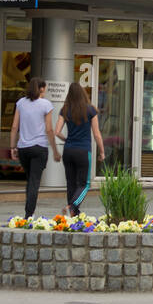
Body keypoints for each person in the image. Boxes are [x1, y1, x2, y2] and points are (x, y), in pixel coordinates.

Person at [54, 82, 104, 217]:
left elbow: (57, 131)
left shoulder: (64, 110)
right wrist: (102, 151)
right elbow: (97, 133)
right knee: (84, 184)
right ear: (83, 93)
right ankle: (72, 206)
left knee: (71, 183)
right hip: (83, 151)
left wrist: (66, 140)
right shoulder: (90, 110)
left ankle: (73, 214)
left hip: (68, 150)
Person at [9, 79, 58, 218]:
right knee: (34, 181)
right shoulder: (46, 104)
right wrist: (54, 149)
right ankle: (29, 214)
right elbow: (49, 129)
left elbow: (14, 127)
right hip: (39, 147)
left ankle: (29, 212)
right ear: (41, 89)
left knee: (30, 179)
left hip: (23, 148)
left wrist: (13, 147)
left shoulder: (20, 103)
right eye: (45, 88)